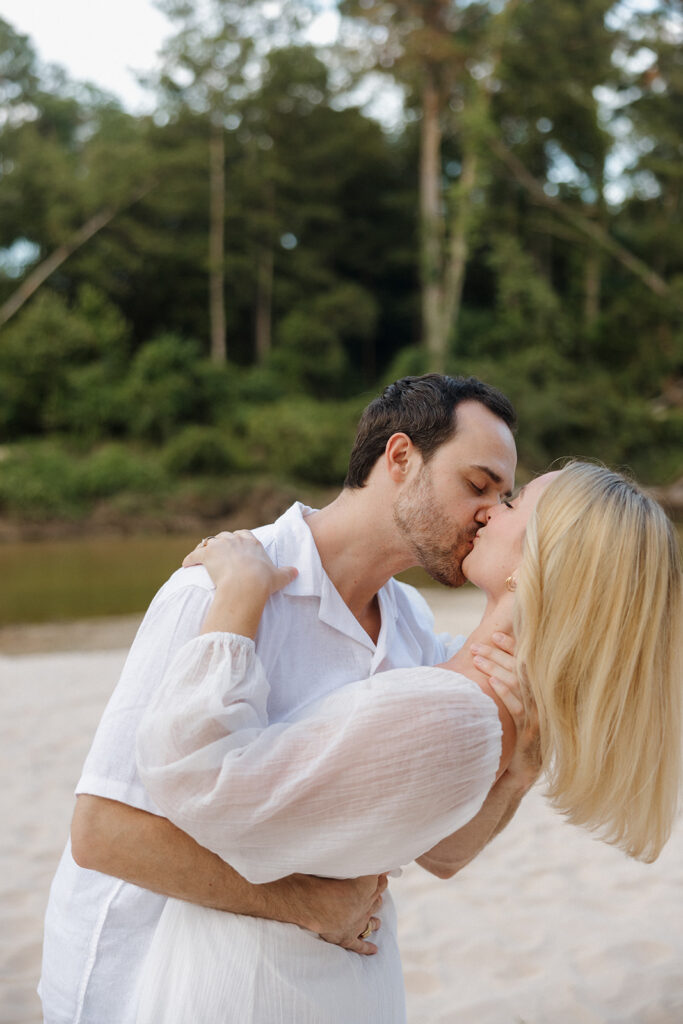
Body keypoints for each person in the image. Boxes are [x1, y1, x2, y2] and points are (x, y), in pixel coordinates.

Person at [41, 374, 527, 1024]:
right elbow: (101, 834)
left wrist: (518, 768)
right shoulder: (217, 590)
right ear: (401, 457)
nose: (491, 512)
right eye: (477, 484)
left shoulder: (411, 626)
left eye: (503, 497)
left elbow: (440, 853)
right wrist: (309, 903)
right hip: (136, 985)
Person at [133, 461, 682, 1023]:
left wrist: (239, 596)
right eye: (485, 489)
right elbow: (442, 854)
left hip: (258, 991)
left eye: (514, 505)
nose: (491, 509)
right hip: (324, 982)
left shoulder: (452, 708)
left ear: (544, 559)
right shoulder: (489, 697)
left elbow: (199, 780)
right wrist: (519, 772)